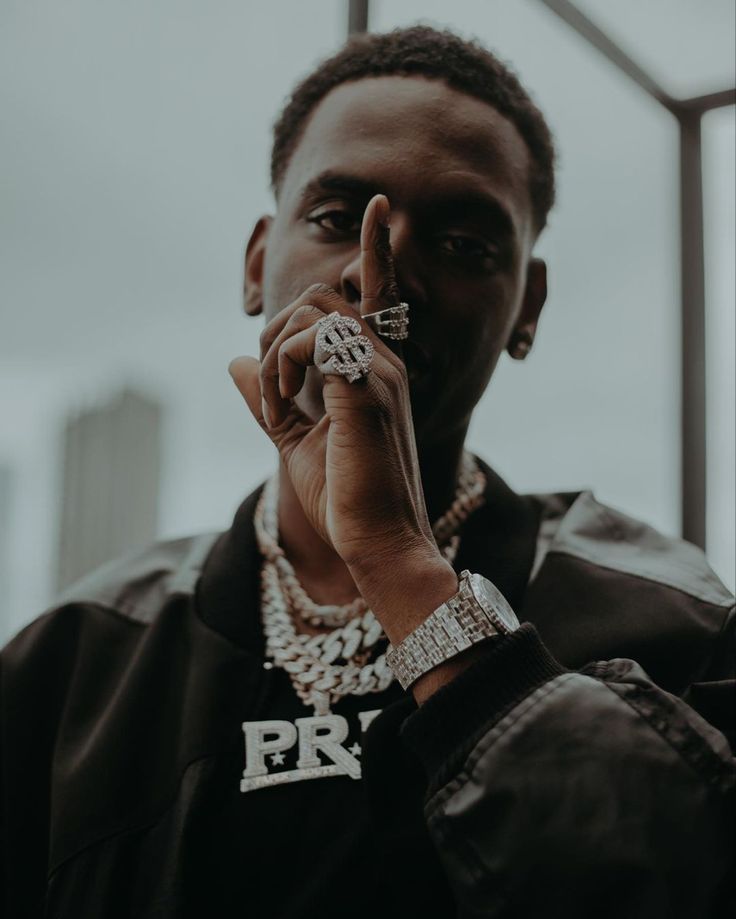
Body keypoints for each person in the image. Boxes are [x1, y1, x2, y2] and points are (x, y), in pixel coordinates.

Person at [1, 25, 733, 919]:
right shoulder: (74, 660)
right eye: (338, 219)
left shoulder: (668, 618)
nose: (380, 277)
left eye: (464, 244)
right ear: (256, 262)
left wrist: (398, 561)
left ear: (527, 309)